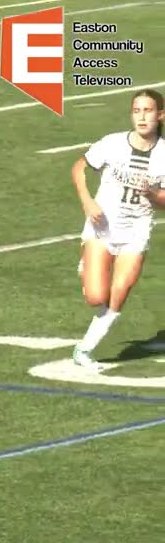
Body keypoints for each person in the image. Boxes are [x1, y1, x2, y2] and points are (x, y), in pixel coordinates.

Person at [68, 88, 165, 370]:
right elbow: (79, 168)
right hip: (103, 226)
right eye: (137, 110)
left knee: (120, 291)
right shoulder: (112, 144)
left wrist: (153, 195)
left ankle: (84, 350)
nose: (142, 116)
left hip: (137, 228)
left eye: (148, 110)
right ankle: (86, 264)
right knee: (97, 296)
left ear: (160, 115)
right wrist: (87, 202)